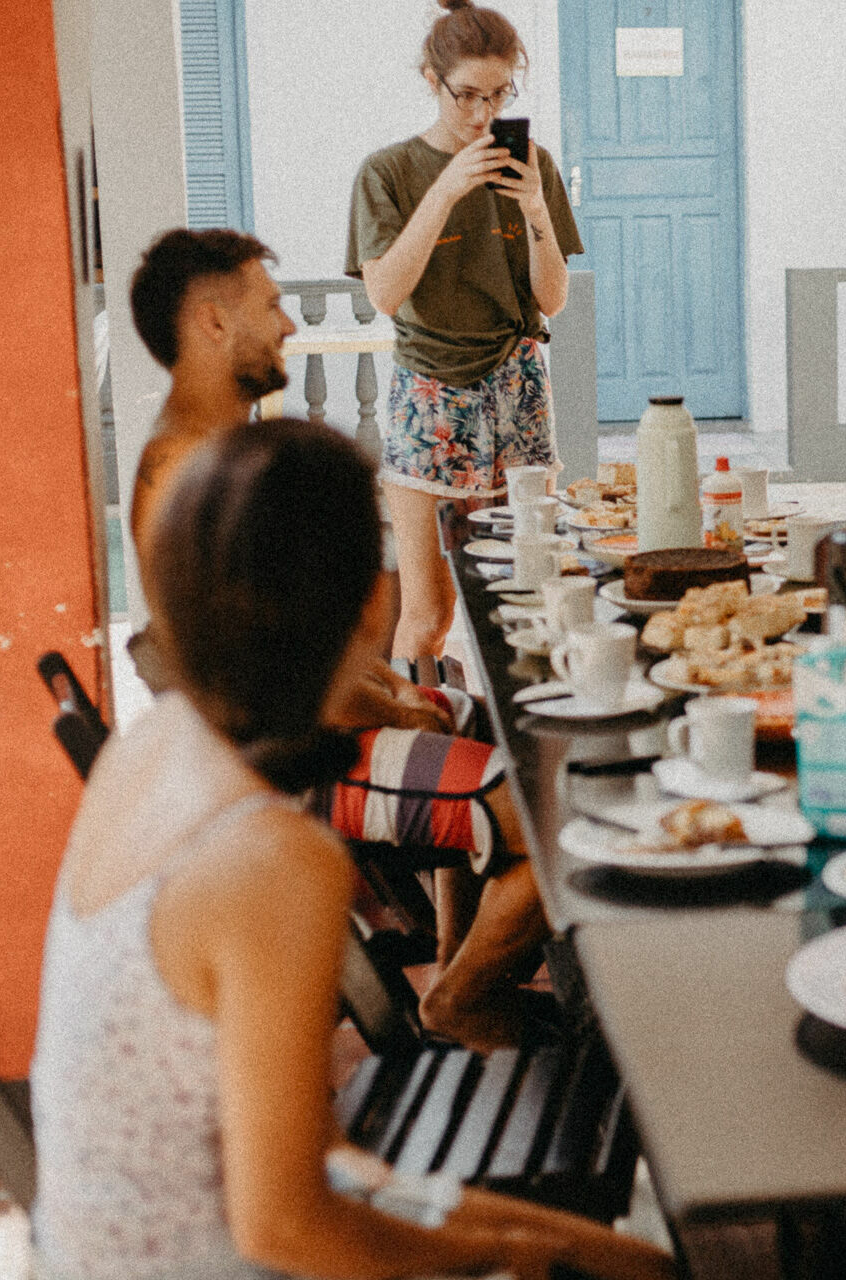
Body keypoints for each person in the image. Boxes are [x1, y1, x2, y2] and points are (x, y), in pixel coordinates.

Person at [31, 420, 674, 1280]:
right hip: (234, 1258)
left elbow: (311, 1166)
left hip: (113, 1253)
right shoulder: (271, 860)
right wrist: (504, 1252)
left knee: (626, 1262)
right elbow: (288, 1230)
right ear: (373, 603)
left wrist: (522, 1239)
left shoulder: (151, 747)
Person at [127, 227, 545, 1051]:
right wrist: (388, 705)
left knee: (480, 717)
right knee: (545, 813)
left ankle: (454, 956)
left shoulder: (226, 454)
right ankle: (461, 997)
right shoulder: (199, 478)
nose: (288, 326)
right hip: (289, 762)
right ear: (212, 324)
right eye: (273, 306)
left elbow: (301, 632)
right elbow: (270, 669)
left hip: (323, 717)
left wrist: (397, 694)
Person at [348, 0, 582, 661]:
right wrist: (447, 188)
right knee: (427, 616)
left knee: (526, 598)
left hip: (518, 387)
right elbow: (386, 293)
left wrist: (534, 202)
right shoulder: (387, 172)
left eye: (500, 94)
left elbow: (553, 298)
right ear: (431, 79)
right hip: (429, 394)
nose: (483, 114)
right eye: (468, 95)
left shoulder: (533, 164)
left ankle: (528, 751)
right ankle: (413, 748)